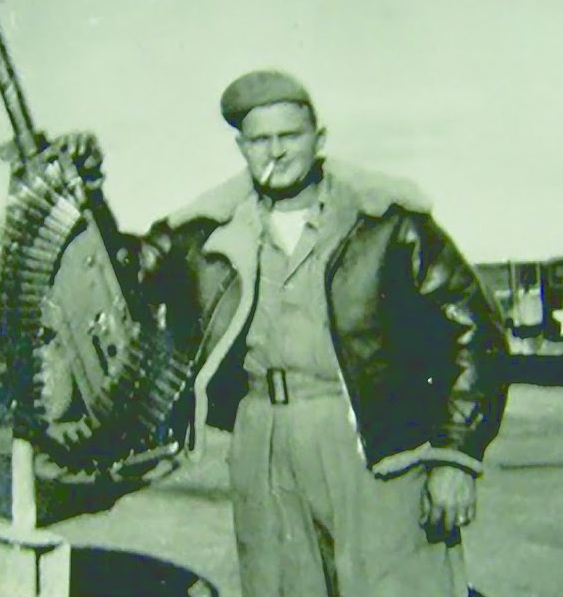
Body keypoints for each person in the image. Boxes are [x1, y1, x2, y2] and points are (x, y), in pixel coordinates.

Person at [61, 69, 509, 597]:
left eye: (289, 136)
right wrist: (88, 193)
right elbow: (122, 277)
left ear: (319, 140)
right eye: (260, 140)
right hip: (262, 442)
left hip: (374, 441)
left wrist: (456, 457)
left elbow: (476, 335)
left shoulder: (386, 223)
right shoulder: (208, 234)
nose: (275, 151)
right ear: (242, 148)